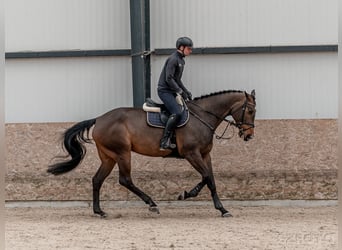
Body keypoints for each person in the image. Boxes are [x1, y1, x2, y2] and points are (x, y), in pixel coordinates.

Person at [157, 37, 193, 150]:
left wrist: (186, 91)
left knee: (184, 108)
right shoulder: (173, 59)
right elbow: (169, 78)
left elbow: (177, 80)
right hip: (164, 91)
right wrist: (180, 91)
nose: (190, 51)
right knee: (177, 112)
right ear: (181, 48)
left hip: (171, 90)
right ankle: (164, 141)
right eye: (189, 48)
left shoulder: (181, 60)